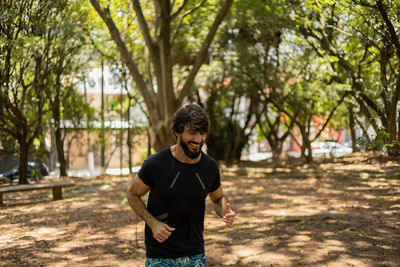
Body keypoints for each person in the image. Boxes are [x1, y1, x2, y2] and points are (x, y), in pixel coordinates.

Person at [127, 103, 235, 266]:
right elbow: (132, 194)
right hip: (160, 255)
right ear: (176, 132)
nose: (198, 140)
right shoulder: (156, 164)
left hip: (195, 254)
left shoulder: (209, 167)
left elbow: (218, 197)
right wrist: (153, 223)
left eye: (202, 133)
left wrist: (224, 211)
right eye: (192, 133)